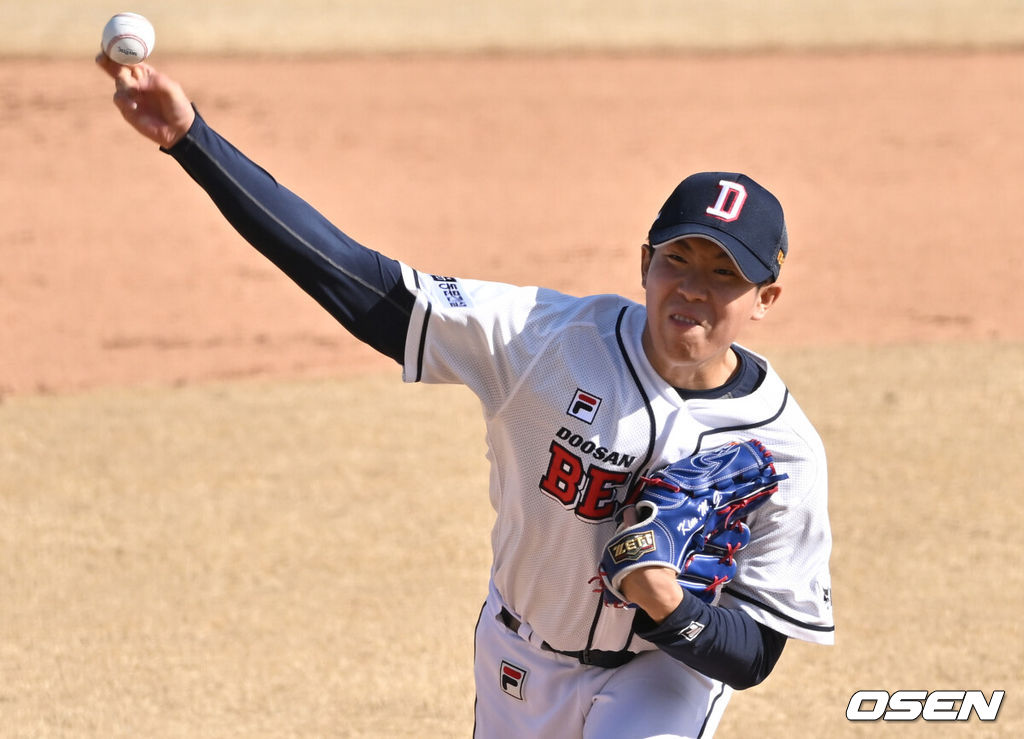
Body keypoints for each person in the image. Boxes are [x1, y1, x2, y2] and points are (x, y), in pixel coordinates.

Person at [96, 54, 834, 738]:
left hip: (662, 677)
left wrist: (668, 605)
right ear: (644, 261)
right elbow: (360, 283)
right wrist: (191, 140)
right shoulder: (543, 339)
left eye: (724, 274)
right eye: (678, 258)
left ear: (763, 297)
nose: (694, 288)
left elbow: (757, 652)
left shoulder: (783, 448)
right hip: (517, 654)